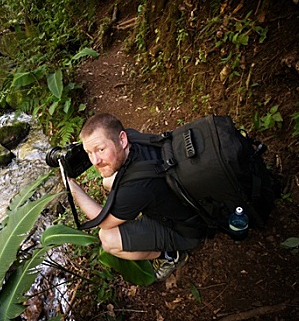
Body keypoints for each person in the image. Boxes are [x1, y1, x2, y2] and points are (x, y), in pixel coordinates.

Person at [66, 113, 206, 281]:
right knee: (108, 181)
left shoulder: (135, 189)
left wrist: (72, 187)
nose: (95, 161)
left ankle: (172, 255)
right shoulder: (133, 137)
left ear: (122, 140)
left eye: (100, 149)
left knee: (107, 239)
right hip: (183, 195)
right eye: (89, 152)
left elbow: (102, 221)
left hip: (186, 230)